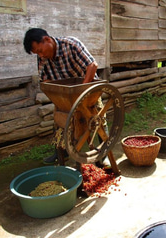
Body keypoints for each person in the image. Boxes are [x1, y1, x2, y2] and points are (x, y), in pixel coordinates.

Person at [23, 28, 109, 167]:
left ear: (47, 40)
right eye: (37, 53)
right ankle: (61, 154)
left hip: (88, 92)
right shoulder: (43, 58)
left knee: (98, 120)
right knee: (59, 124)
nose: (40, 55)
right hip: (65, 97)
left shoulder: (71, 44)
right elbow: (44, 80)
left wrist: (80, 91)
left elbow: (92, 66)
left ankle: (104, 155)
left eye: (40, 50)